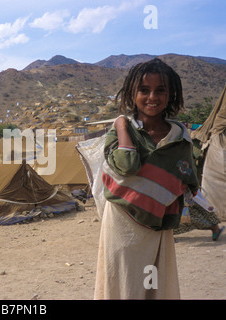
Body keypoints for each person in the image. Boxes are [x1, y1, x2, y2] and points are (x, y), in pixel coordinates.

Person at [94, 58, 199, 299]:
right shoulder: (122, 129)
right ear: (132, 94)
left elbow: (188, 179)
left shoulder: (179, 137)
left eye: (160, 90)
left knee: (155, 286)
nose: (152, 97)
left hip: (158, 224)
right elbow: (126, 166)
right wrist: (121, 124)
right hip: (121, 222)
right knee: (123, 282)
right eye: (144, 90)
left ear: (170, 94)